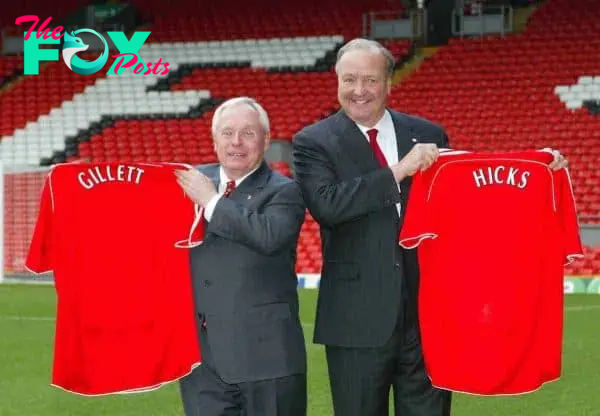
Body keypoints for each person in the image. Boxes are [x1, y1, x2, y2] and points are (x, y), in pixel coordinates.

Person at [291, 38, 569, 416]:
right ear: (336, 81)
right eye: (350, 79)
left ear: (389, 83)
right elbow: (328, 205)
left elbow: (469, 189)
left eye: (370, 80)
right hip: (357, 320)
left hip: (431, 316)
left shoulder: (428, 133)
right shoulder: (312, 142)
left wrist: (539, 167)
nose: (359, 91)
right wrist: (399, 171)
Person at [175, 96, 307, 416]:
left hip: (267, 360)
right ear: (214, 139)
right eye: (227, 132)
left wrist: (211, 201)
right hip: (203, 362)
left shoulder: (284, 190)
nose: (236, 142)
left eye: (248, 133)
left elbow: (268, 236)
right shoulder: (187, 181)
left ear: (265, 139)